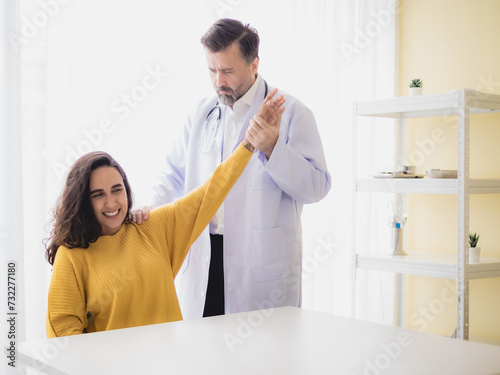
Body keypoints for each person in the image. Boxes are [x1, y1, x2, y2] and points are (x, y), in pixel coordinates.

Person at [132, 18, 331, 319]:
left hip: (260, 266)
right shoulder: (201, 112)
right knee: (202, 357)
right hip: (204, 256)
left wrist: (272, 148)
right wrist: (148, 204)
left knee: (259, 359)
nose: (218, 81)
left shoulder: (291, 112)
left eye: (227, 71)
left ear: (254, 65)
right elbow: (172, 172)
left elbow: (317, 187)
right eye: (212, 70)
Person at [44, 93, 285, 337]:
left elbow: (211, 190)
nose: (111, 202)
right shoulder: (72, 256)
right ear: (83, 201)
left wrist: (249, 144)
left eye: (117, 190)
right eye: (98, 194)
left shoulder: (151, 227)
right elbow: (64, 335)